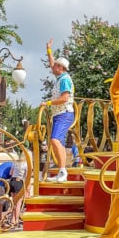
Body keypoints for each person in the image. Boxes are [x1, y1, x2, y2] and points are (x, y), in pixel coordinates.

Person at [40, 38, 75, 183]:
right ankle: (61, 171)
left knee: (54, 140)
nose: (52, 67)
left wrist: (47, 103)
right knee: (56, 142)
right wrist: (49, 50)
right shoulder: (61, 77)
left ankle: (63, 171)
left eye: (55, 66)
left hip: (64, 113)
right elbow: (51, 62)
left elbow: (64, 98)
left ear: (60, 68)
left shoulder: (65, 79)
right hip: (59, 114)